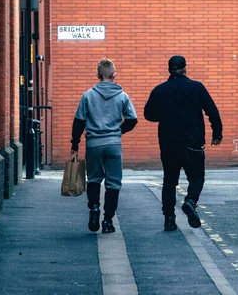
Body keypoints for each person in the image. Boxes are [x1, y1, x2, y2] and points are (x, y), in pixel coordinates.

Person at [144, 55, 223, 231]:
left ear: (169, 69)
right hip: (193, 142)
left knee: (169, 181)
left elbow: (149, 115)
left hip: (168, 143)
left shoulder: (160, 90)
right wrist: (217, 133)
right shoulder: (196, 87)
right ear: (185, 68)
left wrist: (164, 115)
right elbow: (212, 111)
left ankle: (169, 219)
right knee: (197, 177)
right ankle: (190, 201)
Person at [71, 58, 138, 234]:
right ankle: (108, 220)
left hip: (93, 144)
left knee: (93, 179)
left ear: (98, 75)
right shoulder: (123, 96)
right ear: (114, 75)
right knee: (113, 183)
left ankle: (94, 208)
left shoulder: (88, 95)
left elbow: (79, 121)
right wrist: (118, 131)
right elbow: (132, 120)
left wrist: (75, 143)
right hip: (114, 143)